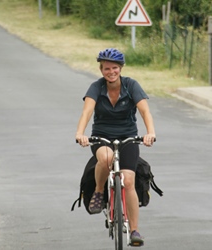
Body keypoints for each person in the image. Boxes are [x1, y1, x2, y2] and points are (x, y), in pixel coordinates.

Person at [75, 48, 156, 246]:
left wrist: (150, 132)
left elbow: (145, 111)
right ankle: (99, 191)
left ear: (120, 68)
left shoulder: (131, 85)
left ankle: (135, 230)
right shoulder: (96, 87)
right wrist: (80, 133)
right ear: (101, 69)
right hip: (102, 136)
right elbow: (87, 111)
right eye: (106, 69)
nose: (110, 72)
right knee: (106, 158)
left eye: (114, 68)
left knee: (128, 180)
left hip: (128, 136)